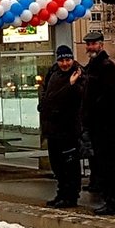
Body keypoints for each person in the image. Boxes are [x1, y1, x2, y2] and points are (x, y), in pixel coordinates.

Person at [82, 31, 115, 215]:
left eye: (93, 44)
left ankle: (113, 202)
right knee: (100, 163)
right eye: (88, 44)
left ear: (101, 45)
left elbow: (107, 96)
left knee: (107, 164)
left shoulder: (106, 66)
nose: (90, 47)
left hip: (104, 123)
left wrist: (94, 112)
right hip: (96, 123)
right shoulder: (92, 66)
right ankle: (108, 198)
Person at [39, 45, 84, 209]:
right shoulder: (53, 74)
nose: (65, 63)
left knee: (70, 165)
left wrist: (70, 85)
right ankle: (62, 193)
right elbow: (48, 97)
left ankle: (71, 196)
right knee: (57, 165)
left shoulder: (78, 75)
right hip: (53, 129)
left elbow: (69, 98)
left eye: (67, 60)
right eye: (62, 60)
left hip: (68, 129)